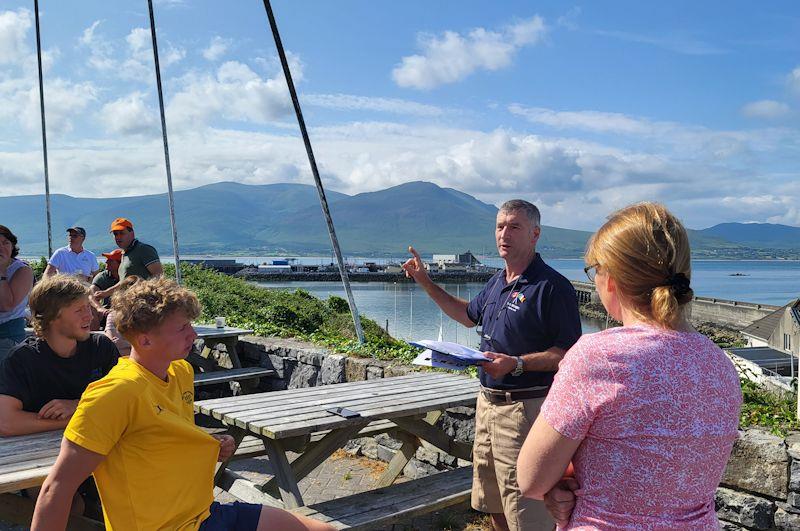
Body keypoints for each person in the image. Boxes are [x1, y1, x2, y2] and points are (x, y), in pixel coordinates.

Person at [31, 277, 333, 531]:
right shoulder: (114, 393)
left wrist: (209, 443)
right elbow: (56, 488)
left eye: (191, 324)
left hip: (205, 514)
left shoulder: (180, 371)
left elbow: (161, 437)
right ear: (145, 340)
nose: (193, 334)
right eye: (181, 329)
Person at [517, 202, 742, 529]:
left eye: (594, 270)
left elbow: (531, 479)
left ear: (610, 279)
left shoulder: (600, 357)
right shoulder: (720, 364)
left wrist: (566, 478)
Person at [402, 199, 581, 531]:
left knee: (528, 514)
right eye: (500, 226)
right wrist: (424, 281)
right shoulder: (498, 281)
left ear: (535, 234)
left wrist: (516, 364)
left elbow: (569, 354)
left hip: (526, 412)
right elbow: (467, 316)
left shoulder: (552, 287)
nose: (504, 234)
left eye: (514, 226)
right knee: (492, 502)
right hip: (487, 406)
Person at [0, 275, 119, 437]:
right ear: (51, 317)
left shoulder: (102, 347)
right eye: (79, 310)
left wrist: (78, 406)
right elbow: (6, 423)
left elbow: (126, 399)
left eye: (88, 308)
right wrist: (75, 418)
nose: (89, 316)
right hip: (33, 455)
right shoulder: (22, 359)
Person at [92, 218, 162, 302]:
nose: (118, 237)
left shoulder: (144, 249)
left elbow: (159, 277)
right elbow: (124, 282)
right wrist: (105, 293)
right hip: (129, 303)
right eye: (115, 234)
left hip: (144, 303)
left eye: (121, 233)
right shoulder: (125, 254)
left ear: (132, 233)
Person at [0, 225, 33, 362]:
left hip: (7, 337)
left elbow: (6, 305)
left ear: (12, 246)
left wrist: (1, 271)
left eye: (5, 243)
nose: (0, 247)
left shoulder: (22, 270)